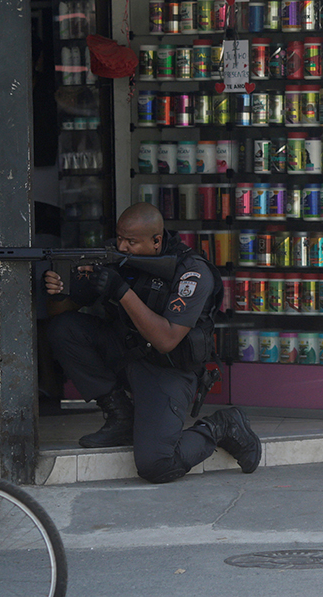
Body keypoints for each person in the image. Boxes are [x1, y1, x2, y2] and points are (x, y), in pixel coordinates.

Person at [45, 203, 261, 483]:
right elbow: (60, 314)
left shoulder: (191, 272)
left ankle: (222, 426)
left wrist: (120, 290)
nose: (122, 246)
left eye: (131, 242)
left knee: (157, 464)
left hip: (167, 369)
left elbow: (166, 340)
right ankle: (121, 416)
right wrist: (60, 291)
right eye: (119, 238)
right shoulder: (115, 257)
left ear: (157, 241)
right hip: (128, 354)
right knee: (65, 328)